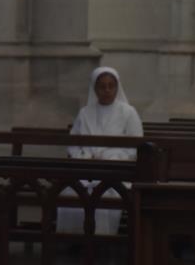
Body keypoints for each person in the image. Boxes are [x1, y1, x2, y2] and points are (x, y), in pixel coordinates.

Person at [59, 66, 143, 235]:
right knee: (70, 194)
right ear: (95, 88)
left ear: (117, 87)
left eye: (111, 86)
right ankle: (73, 238)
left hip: (116, 171)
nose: (107, 90)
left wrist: (111, 158)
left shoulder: (128, 113)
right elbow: (73, 143)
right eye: (102, 86)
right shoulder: (85, 113)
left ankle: (101, 239)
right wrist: (84, 157)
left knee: (106, 196)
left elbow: (136, 146)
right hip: (86, 169)